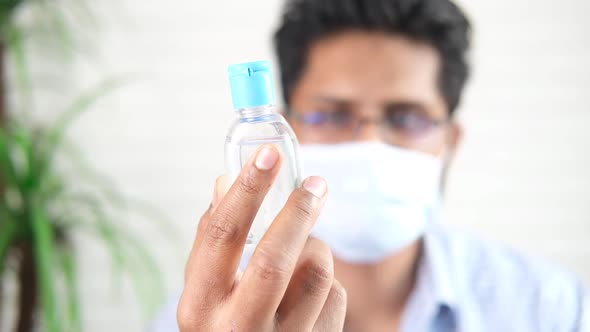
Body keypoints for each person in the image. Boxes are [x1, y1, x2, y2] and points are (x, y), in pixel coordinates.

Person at [154, 0, 589, 331]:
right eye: (331, 115)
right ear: (286, 131)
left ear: (450, 141)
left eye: (406, 117)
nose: (368, 143)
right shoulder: (209, 318)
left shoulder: (551, 308)